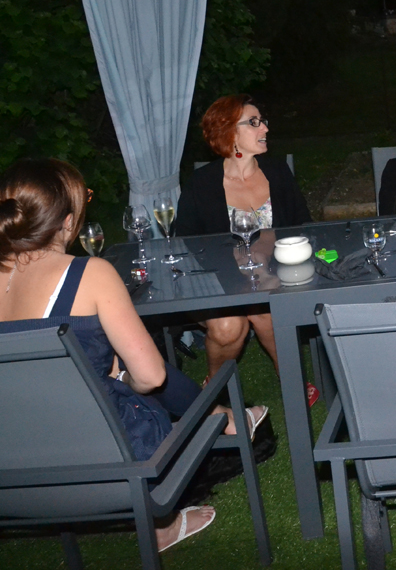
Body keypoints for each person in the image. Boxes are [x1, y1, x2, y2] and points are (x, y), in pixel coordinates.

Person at [0, 159, 266, 552]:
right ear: (68, 221)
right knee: (138, 376)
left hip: (16, 478)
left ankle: (218, 418)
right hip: (113, 467)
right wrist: (120, 377)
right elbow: (152, 377)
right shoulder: (89, 274)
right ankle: (215, 427)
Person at [174, 94, 316, 402]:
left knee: (265, 311)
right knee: (228, 326)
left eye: (263, 121)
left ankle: (290, 377)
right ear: (229, 132)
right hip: (216, 280)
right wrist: (232, 265)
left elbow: (303, 225)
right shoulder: (202, 183)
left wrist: (270, 252)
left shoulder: (277, 172)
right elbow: (184, 241)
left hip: (273, 273)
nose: (265, 128)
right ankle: (216, 387)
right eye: (254, 122)